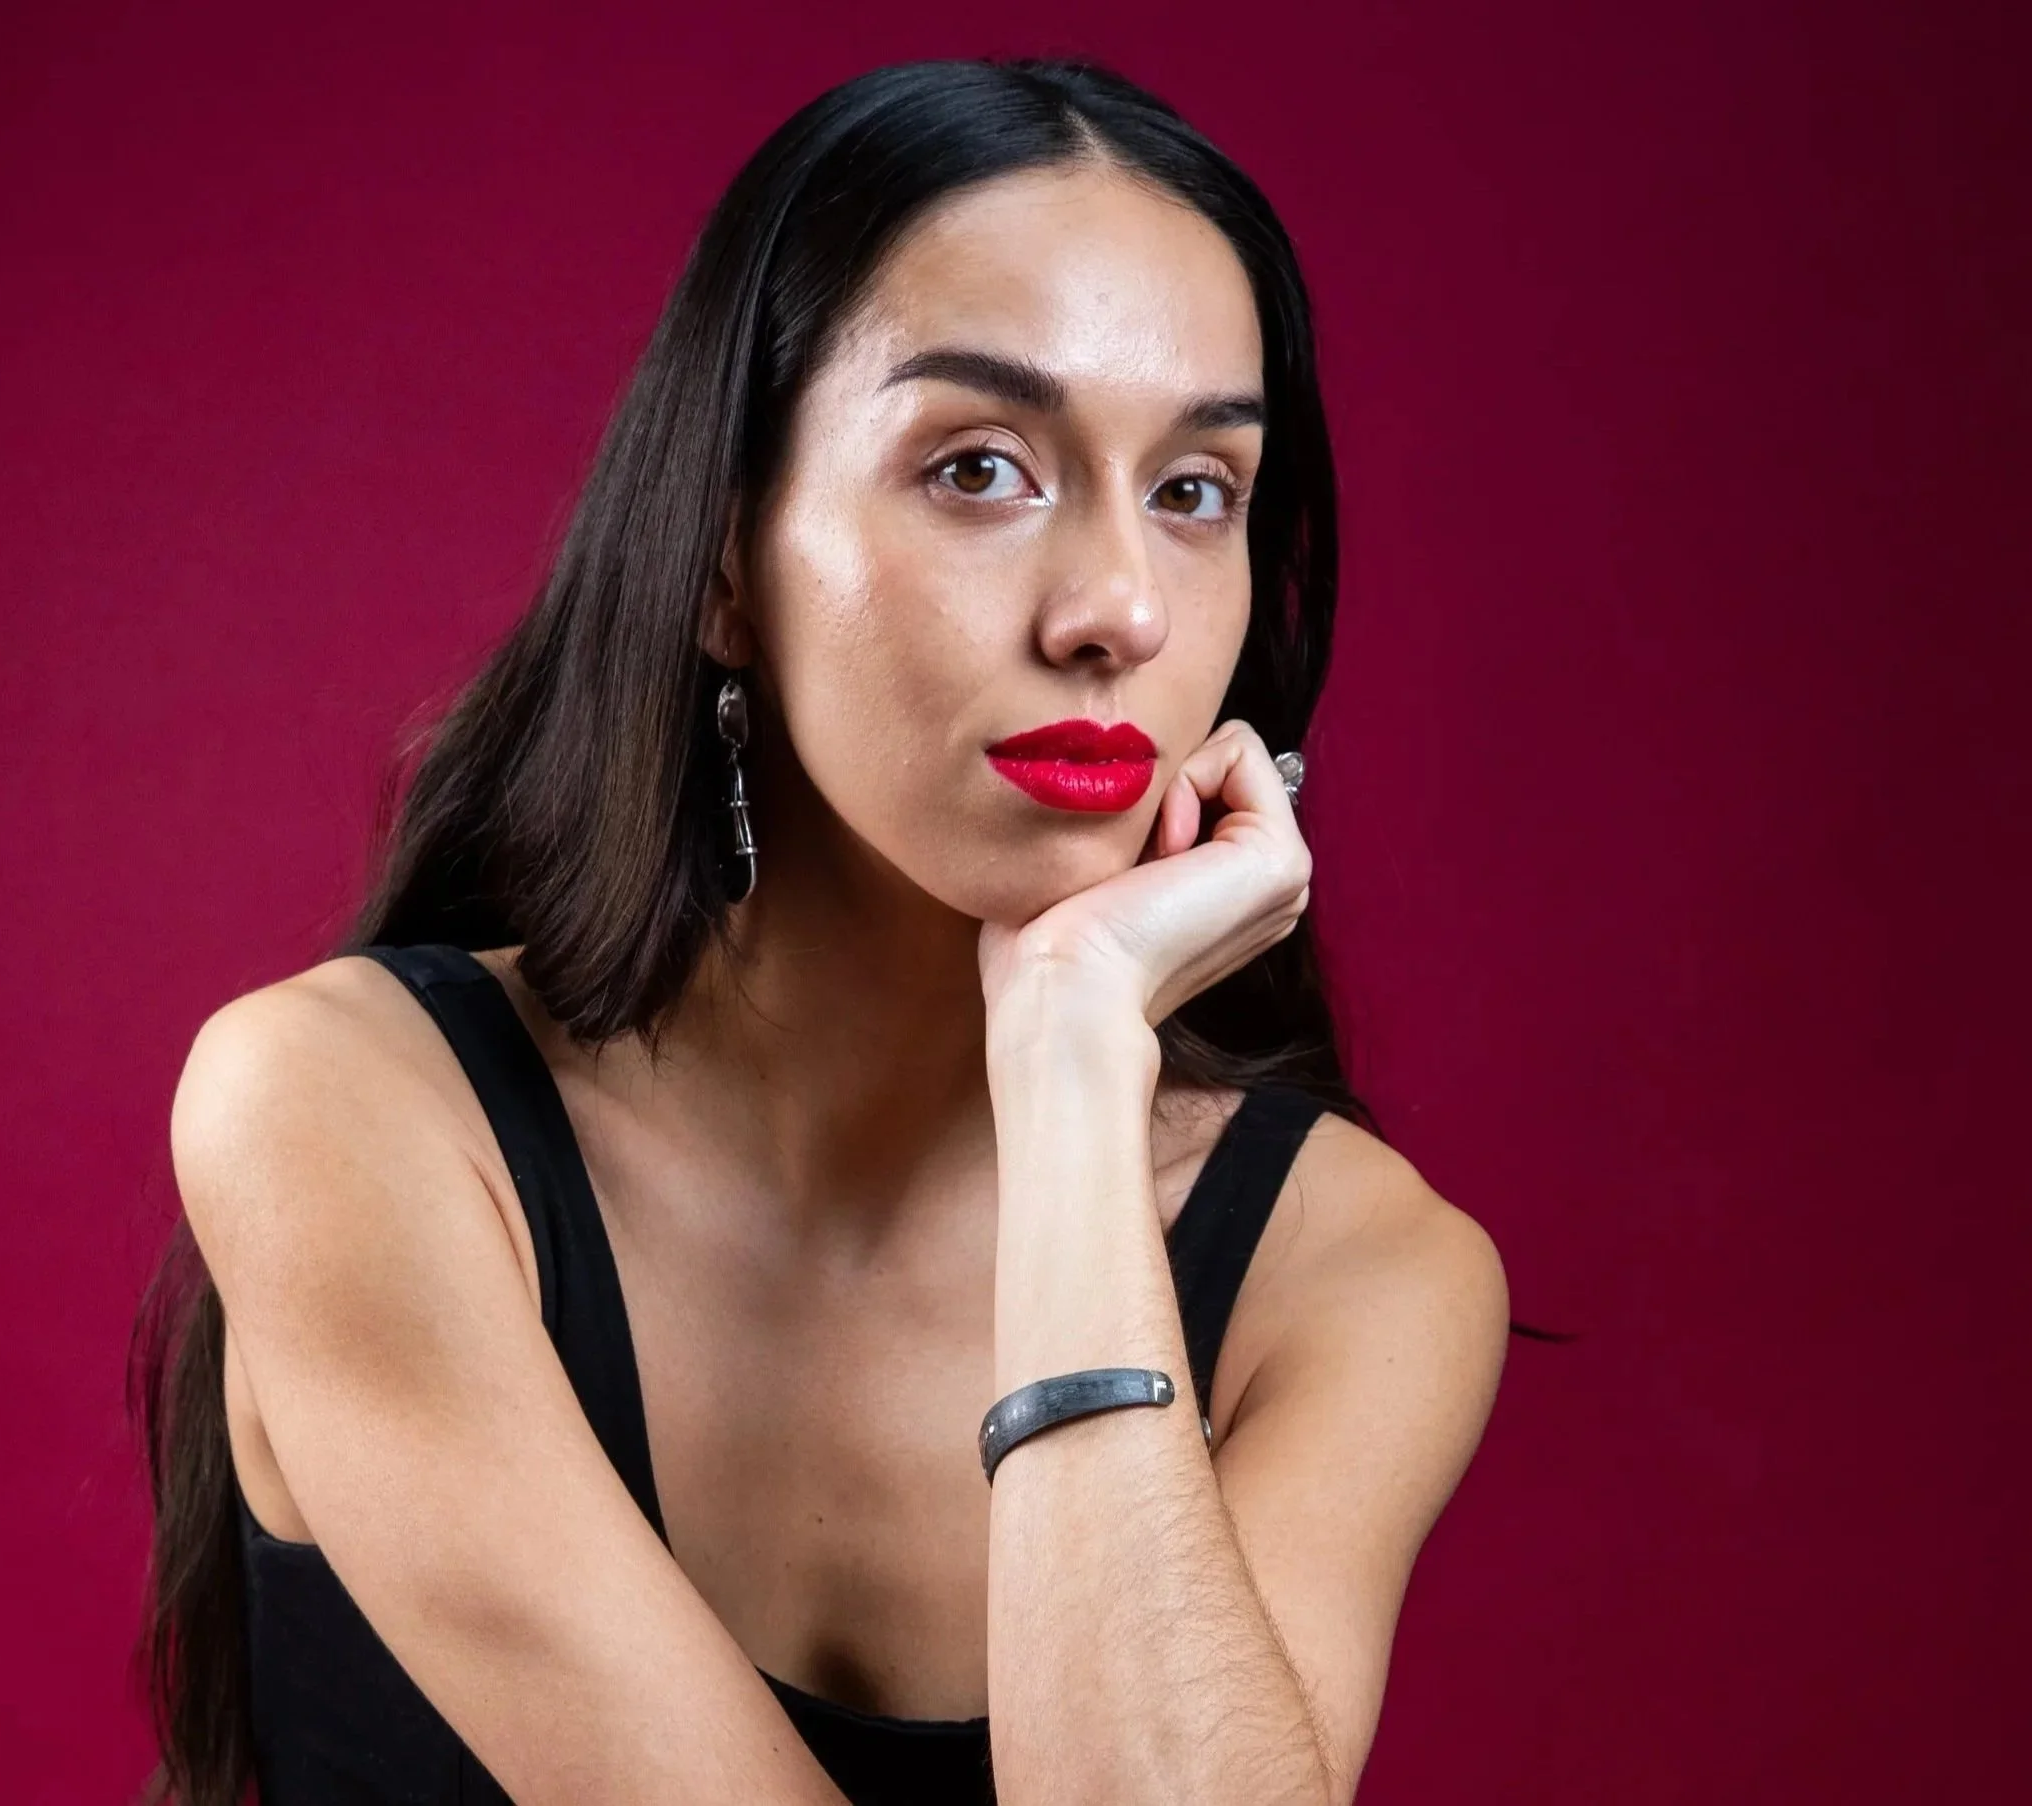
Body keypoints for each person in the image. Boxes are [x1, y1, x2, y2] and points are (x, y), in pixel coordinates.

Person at [129, 54, 1510, 1806]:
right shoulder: (349, 1113)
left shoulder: (1358, 1273)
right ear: (721, 559)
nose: (1117, 611)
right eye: (982, 467)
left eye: (1194, 491)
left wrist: (1079, 1059)